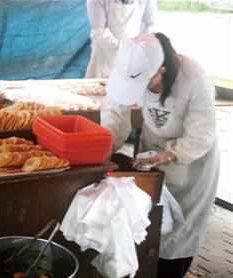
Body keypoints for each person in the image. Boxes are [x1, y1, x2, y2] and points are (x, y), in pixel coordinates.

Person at [100, 33, 220, 278]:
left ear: (162, 68)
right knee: (149, 221)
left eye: (146, 81)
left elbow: (201, 134)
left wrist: (170, 155)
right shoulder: (129, 66)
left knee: (180, 229)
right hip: (153, 148)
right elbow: (115, 111)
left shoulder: (194, 78)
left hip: (191, 160)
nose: (141, 89)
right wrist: (107, 149)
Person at [85, 0, 157, 78]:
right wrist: (124, 47)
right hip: (104, 55)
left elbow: (151, 24)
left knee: (129, 85)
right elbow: (99, 30)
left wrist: (142, 44)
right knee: (99, 87)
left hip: (133, 55)